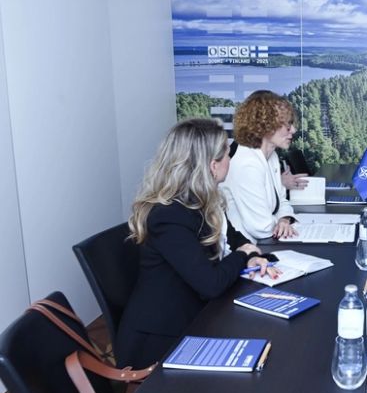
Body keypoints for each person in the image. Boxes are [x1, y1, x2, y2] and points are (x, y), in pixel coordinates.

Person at [116, 118, 277, 369]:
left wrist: (250, 253)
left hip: (196, 315)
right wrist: (243, 255)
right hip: (159, 341)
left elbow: (232, 236)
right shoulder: (169, 216)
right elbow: (210, 284)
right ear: (213, 165)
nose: (230, 159)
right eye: (227, 154)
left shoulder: (201, 200)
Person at [221, 90, 299, 242]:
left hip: (264, 244)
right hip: (245, 248)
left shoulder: (271, 156)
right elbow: (261, 228)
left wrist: (284, 220)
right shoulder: (246, 164)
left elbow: (282, 202)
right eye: (288, 125)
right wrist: (279, 222)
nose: (293, 130)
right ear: (266, 126)